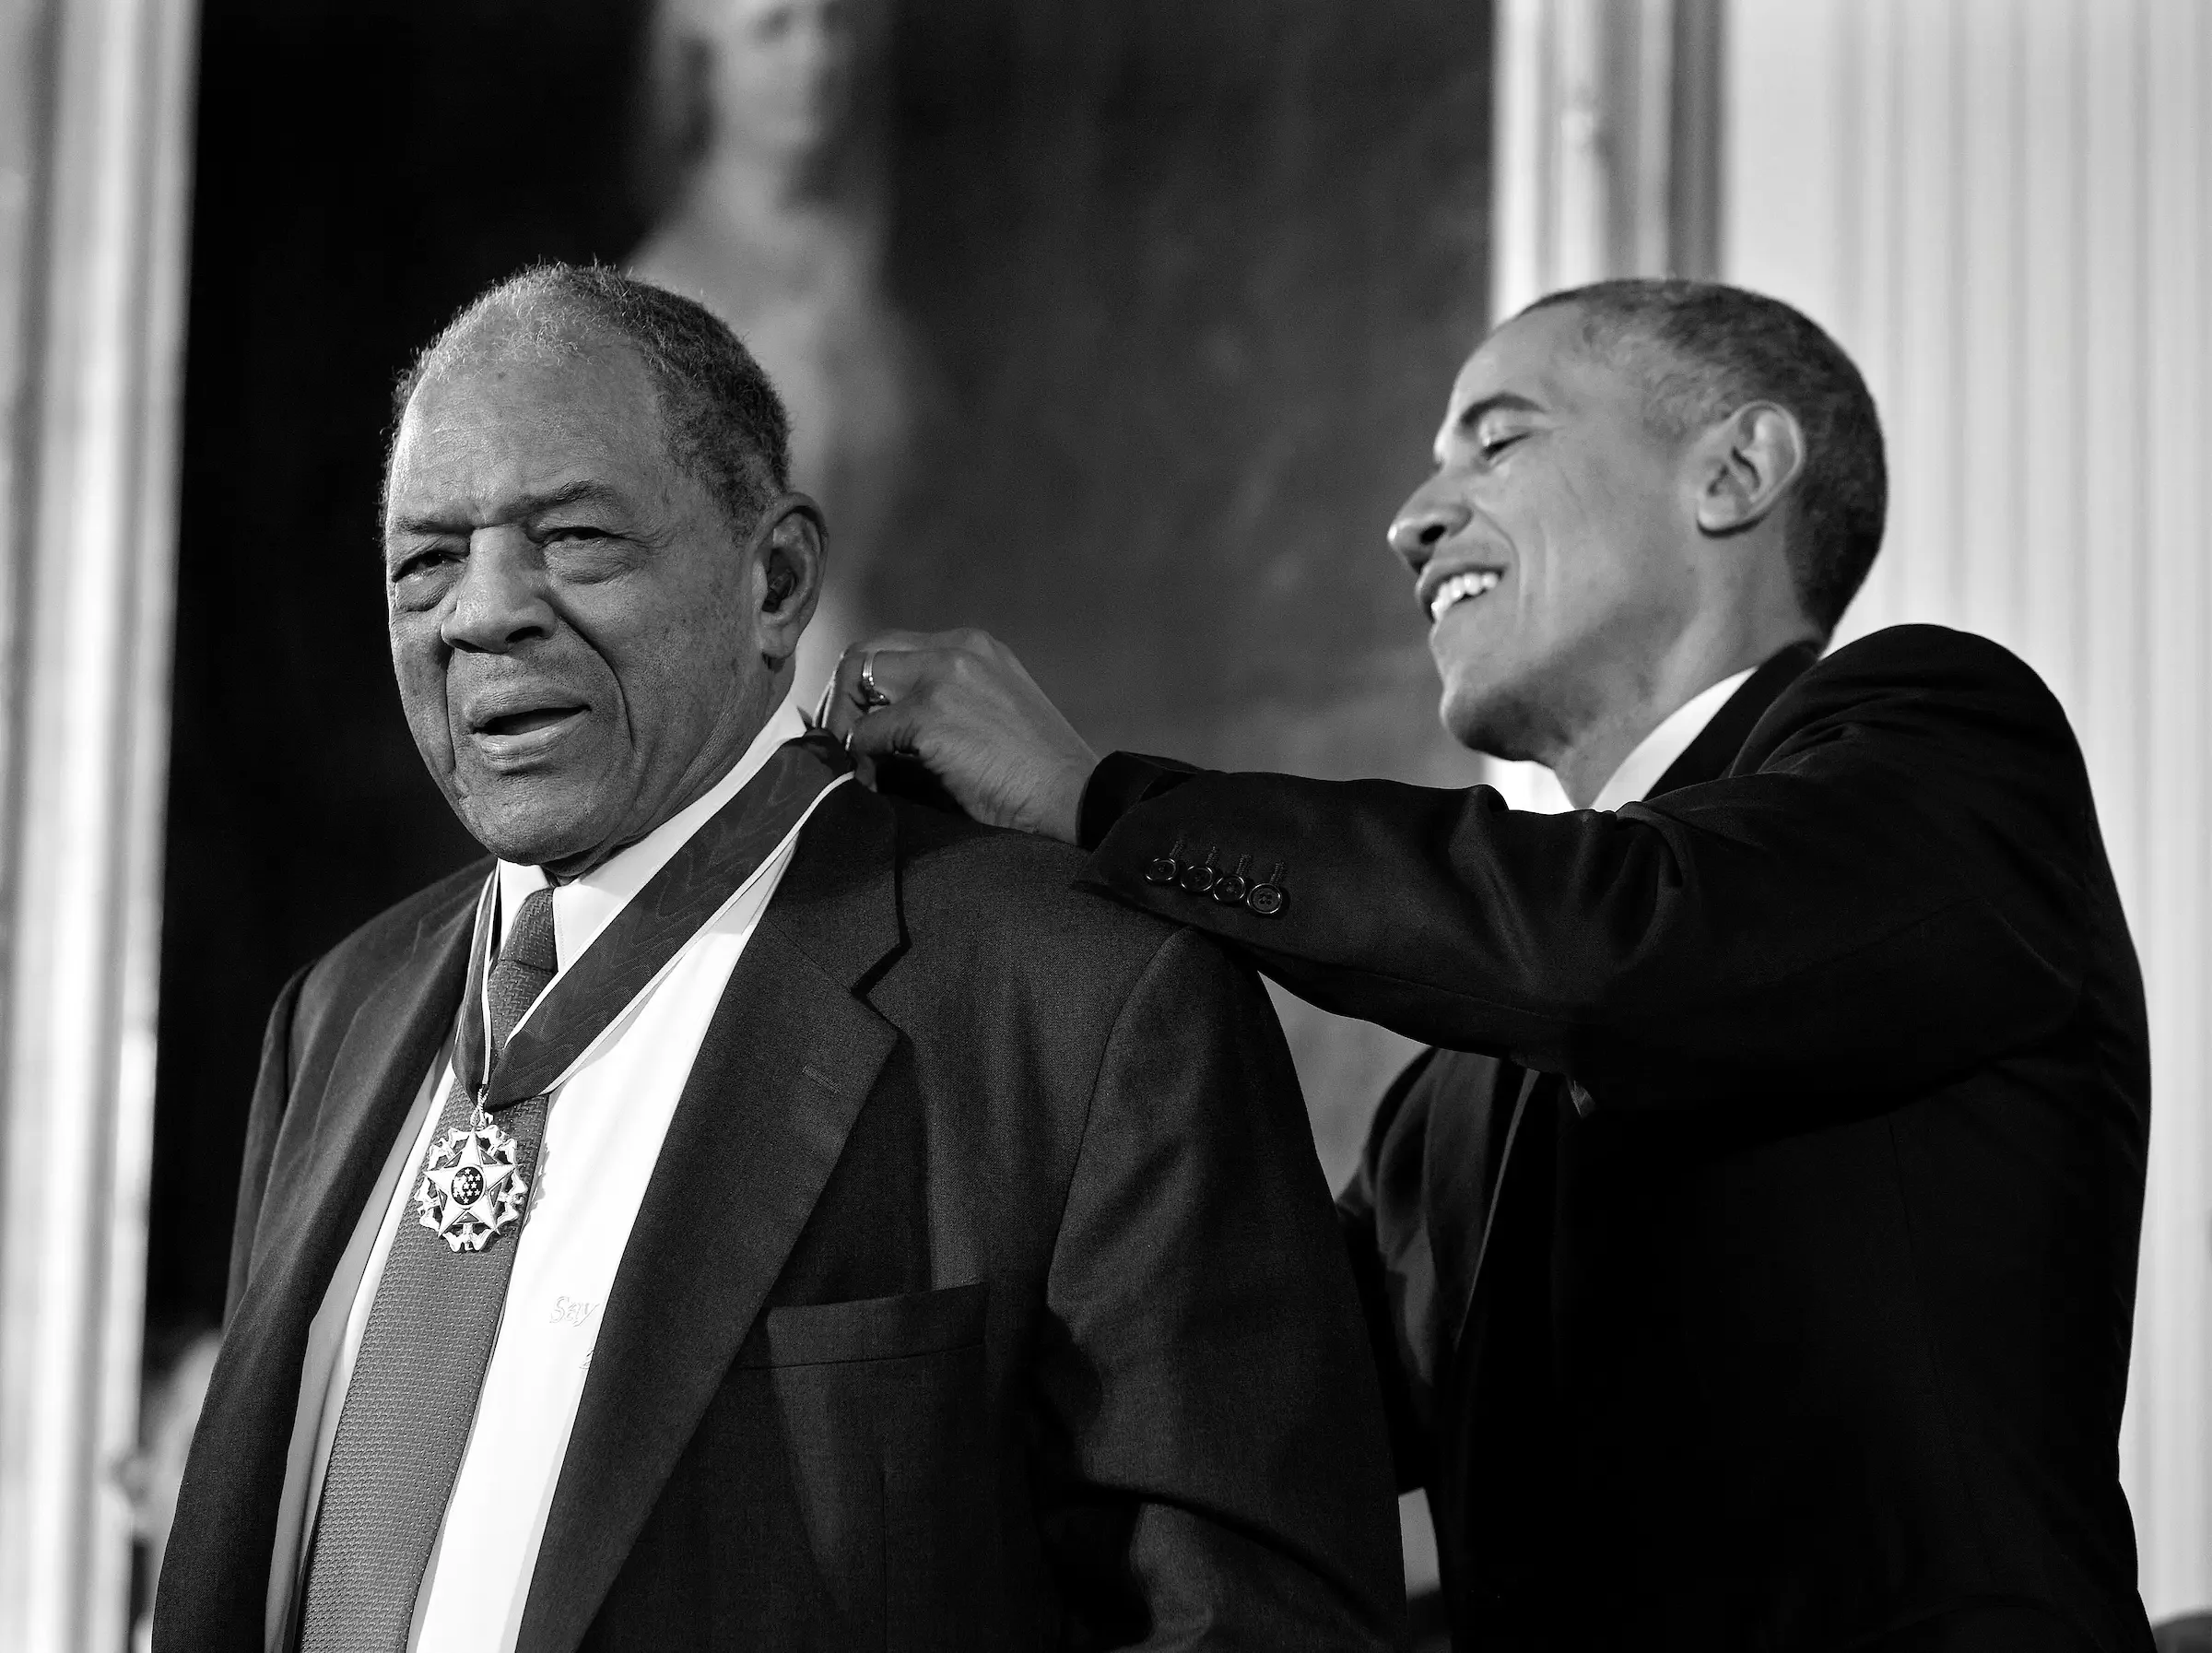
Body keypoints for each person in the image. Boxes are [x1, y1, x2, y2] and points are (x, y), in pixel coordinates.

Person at [826, 279, 2159, 1653]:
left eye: (1498, 439)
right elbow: (1226, 1389)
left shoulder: (1950, 744)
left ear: (1736, 472)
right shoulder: (1447, 1111)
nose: (1411, 520)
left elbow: (1623, 949)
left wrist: (1099, 798)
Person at [155, 265, 1403, 1651]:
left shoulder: (1075, 999)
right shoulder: (337, 1012)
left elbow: (1250, 1626)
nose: (481, 612)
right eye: (425, 560)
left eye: (572, 538)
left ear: (779, 578)